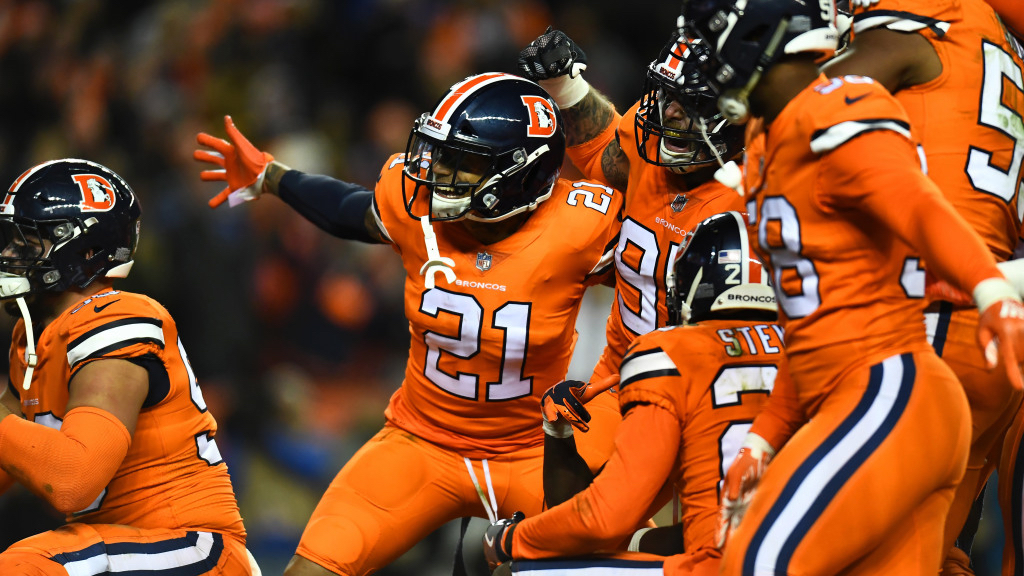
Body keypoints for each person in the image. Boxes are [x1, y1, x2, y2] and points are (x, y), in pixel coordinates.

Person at [193, 72, 625, 576]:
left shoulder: (582, 226)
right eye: (439, 154)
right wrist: (273, 177)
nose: (436, 171)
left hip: (532, 451)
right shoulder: (413, 205)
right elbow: (354, 211)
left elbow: (658, 271)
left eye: (462, 162)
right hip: (422, 440)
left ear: (520, 175)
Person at [677, 0, 1024, 573]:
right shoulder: (774, 138)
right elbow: (814, 317)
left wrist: (990, 288)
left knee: (758, 562)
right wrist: (763, 438)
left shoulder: (836, 103)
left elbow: (917, 203)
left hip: (908, 359)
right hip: (898, 365)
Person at [815, 1, 1024, 573]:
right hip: (989, 327)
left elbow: (806, 110)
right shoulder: (1000, 45)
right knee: (924, 557)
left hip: (928, 317)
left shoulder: (932, 18)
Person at [480, 211, 795, 576]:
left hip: (722, 567)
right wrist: (639, 542)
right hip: (815, 557)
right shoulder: (814, 352)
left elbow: (604, 519)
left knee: (515, 569)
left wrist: (509, 539)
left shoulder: (670, 355)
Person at [515, 24, 748, 509]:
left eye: (692, 103)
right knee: (558, 514)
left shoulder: (766, 196)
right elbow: (604, 150)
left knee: (714, 537)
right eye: (667, 96)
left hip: (724, 398)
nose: (670, 112)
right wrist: (565, 87)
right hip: (620, 383)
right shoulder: (650, 151)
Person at [0, 159, 255, 574]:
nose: (9, 254)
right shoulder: (34, 336)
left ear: (85, 250)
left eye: (27, 243)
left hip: (192, 545)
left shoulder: (117, 318)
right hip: (124, 547)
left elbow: (73, 480)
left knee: (26, 566)